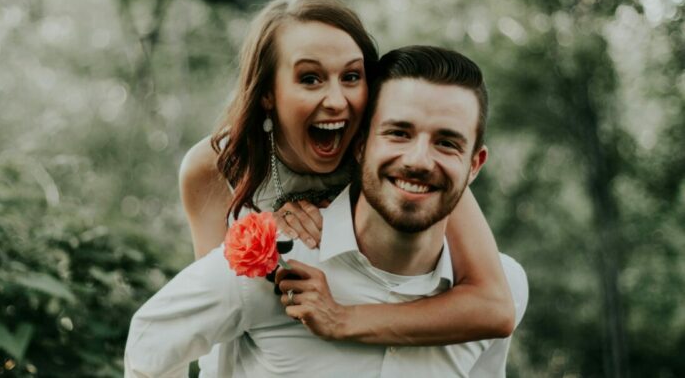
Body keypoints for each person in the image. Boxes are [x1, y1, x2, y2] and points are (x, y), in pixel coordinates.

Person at [126, 45, 529, 377]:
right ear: (359, 145)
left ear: (475, 164)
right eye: (398, 133)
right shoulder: (271, 266)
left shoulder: (503, 286)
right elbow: (149, 347)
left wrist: (344, 319)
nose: (419, 159)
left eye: (447, 143)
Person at [179, 0, 513, 357]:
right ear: (267, 92)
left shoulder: (403, 163)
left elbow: (494, 305)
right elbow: (214, 318)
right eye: (310, 79)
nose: (337, 101)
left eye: (352, 76)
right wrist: (271, 236)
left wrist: (343, 318)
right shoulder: (212, 168)